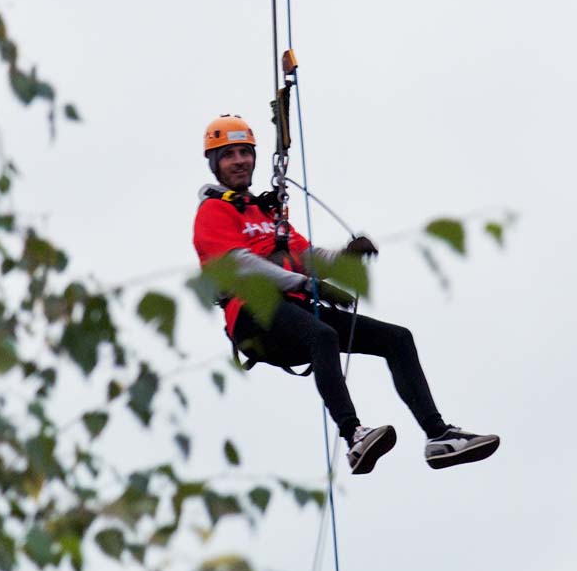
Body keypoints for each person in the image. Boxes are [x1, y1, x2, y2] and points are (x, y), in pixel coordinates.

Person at [192, 115, 500, 475]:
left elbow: (304, 256)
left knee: (397, 339)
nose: (240, 160)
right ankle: (353, 435)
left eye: (245, 152)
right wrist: (302, 285)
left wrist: (343, 258)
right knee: (323, 335)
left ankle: (440, 436)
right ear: (215, 163)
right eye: (229, 154)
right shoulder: (214, 211)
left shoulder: (266, 212)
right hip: (253, 316)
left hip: (294, 309)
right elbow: (239, 264)